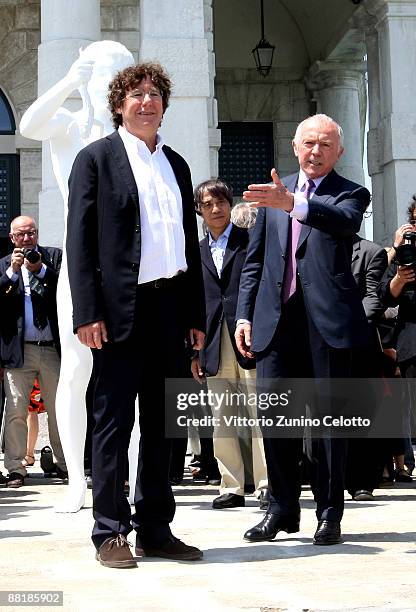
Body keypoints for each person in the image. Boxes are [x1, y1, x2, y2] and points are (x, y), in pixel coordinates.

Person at [66, 62, 206, 568]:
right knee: (112, 423)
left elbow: (187, 246)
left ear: (164, 104)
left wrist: (195, 314)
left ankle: (155, 527)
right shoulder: (96, 160)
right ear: (119, 105)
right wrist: (88, 311)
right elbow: (80, 242)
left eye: (154, 94)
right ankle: (109, 530)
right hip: (120, 311)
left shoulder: (178, 164)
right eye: (136, 94)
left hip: (170, 309)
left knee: (164, 424)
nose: (146, 102)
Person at [235, 114, 371, 545]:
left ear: (339, 152)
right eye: (308, 143)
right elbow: (255, 262)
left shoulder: (351, 192)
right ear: (295, 147)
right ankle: (281, 509)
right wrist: (244, 316)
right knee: (274, 420)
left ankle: (329, 514)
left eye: (325, 145)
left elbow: (342, 222)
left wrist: (291, 203)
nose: (315, 151)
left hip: (325, 324)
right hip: (276, 321)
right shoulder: (272, 195)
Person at [19, 41, 135, 512]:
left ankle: (126, 475)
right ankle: (74, 480)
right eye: (103, 73)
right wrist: (70, 78)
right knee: (74, 371)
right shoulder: (67, 127)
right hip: (82, 264)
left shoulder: (135, 137)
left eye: (120, 75)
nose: (111, 83)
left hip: (130, 266)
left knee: (133, 373)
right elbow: (28, 126)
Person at [191, 179, 268, 510]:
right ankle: (231, 485)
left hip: (249, 335)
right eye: (207, 204)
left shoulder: (250, 242)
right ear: (199, 211)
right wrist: (192, 352)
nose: (215, 208)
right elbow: (190, 304)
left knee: (258, 411)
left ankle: (267, 483)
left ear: (229, 203)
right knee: (222, 415)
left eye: (220, 201)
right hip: (211, 341)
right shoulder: (194, 253)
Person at [0, 216, 66, 488]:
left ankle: (65, 464)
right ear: (12, 238)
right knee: (15, 410)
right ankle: (15, 468)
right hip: (19, 351)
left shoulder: (53, 257)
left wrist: (39, 270)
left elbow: (64, 291)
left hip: (52, 348)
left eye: (31, 233)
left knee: (59, 409)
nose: (27, 239)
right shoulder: (4, 265)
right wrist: (13, 274)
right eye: (21, 235)